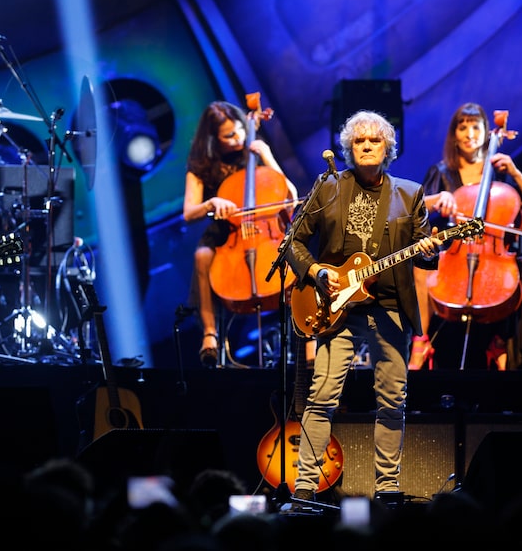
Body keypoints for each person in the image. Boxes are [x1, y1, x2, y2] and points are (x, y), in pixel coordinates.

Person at [286, 110, 442, 505]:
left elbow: (426, 257)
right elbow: (292, 243)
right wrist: (318, 271)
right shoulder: (330, 188)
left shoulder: (410, 193)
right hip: (336, 308)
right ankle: (305, 487)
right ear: (349, 148)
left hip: (388, 306)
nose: (368, 145)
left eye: (375, 140)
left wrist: (430, 248)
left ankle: (386, 487)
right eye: (359, 140)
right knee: (322, 395)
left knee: (393, 399)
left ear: (388, 148)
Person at [410, 102, 522, 370]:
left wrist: (515, 172)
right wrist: (439, 198)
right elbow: (415, 207)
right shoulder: (441, 172)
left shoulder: (498, 171)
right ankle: (421, 339)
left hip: (493, 256)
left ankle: (502, 340)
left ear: (487, 132)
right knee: (421, 265)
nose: (469, 133)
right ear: (454, 134)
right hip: (454, 254)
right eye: (462, 127)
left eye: (476, 126)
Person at [183, 101, 298, 367]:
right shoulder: (200, 166)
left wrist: (267, 156)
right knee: (202, 255)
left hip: (265, 228)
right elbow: (189, 212)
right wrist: (211, 204)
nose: (239, 139)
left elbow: (289, 197)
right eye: (229, 136)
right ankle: (210, 333)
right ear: (213, 139)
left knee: (297, 256)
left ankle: (310, 344)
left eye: (240, 131)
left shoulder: (252, 152)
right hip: (228, 233)